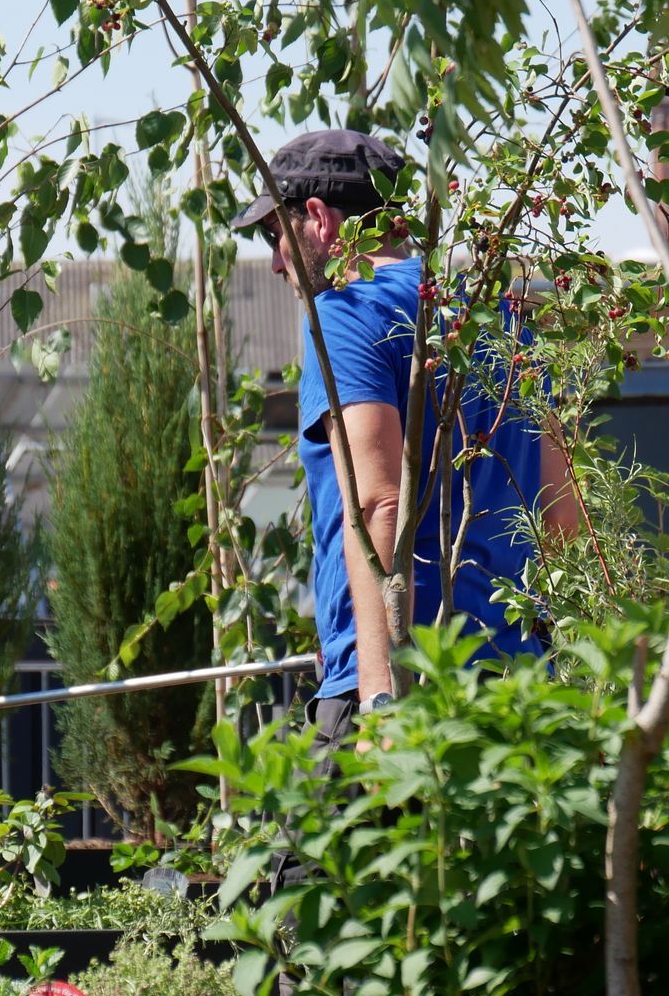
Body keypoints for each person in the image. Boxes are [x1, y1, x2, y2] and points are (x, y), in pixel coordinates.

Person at [234, 128, 576, 756]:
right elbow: (562, 513)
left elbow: (379, 505)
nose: (278, 262)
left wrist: (380, 697)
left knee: (312, 858)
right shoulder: (500, 316)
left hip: (408, 690)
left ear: (318, 219)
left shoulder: (344, 313)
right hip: (518, 688)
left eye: (274, 236)